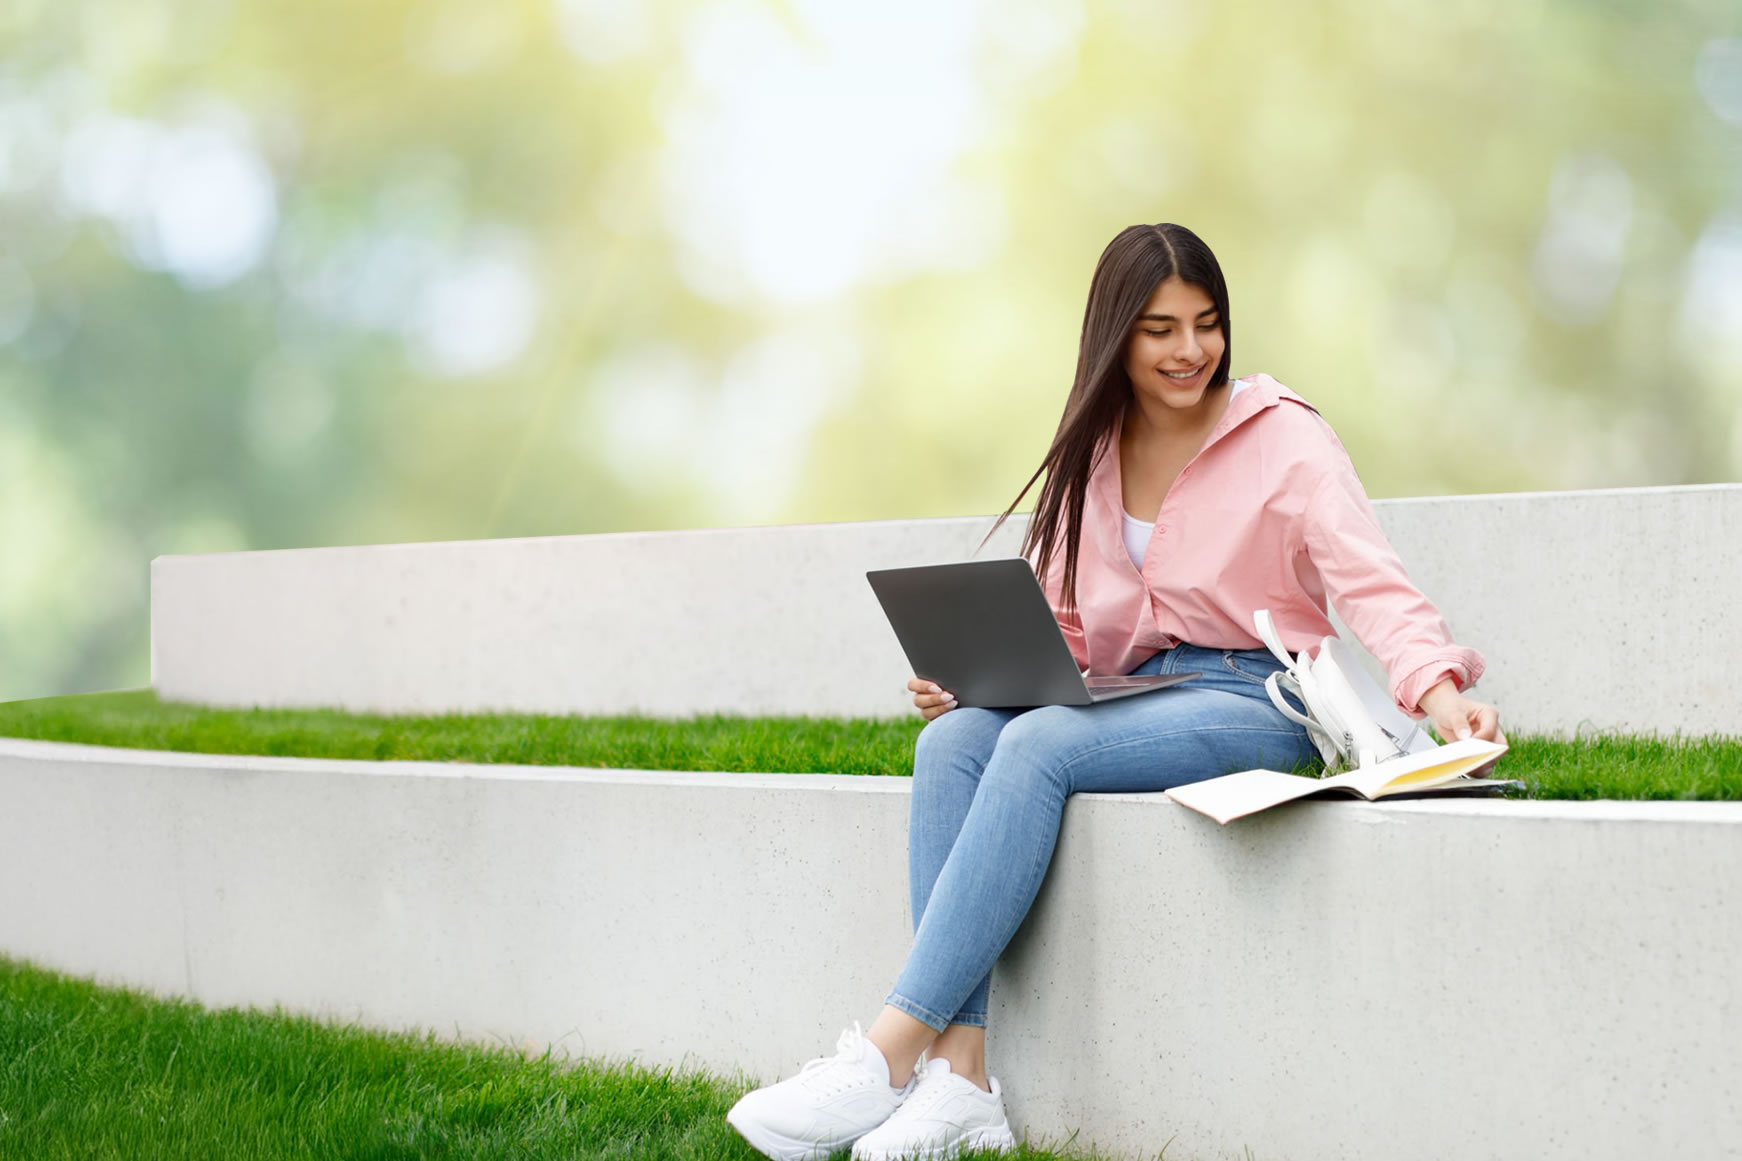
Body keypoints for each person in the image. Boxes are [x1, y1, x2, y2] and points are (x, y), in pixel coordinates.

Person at [726, 222, 1504, 1161]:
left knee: (1038, 745)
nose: (1190, 351)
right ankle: (963, 1079)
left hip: (1261, 698)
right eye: (1160, 329)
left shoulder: (1284, 437)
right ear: (1116, 336)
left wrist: (1438, 689)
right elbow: (1067, 629)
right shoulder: (1093, 449)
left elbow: (1369, 581)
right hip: (1132, 691)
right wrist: (980, 680)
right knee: (957, 741)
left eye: (1206, 324)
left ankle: (889, 1053)